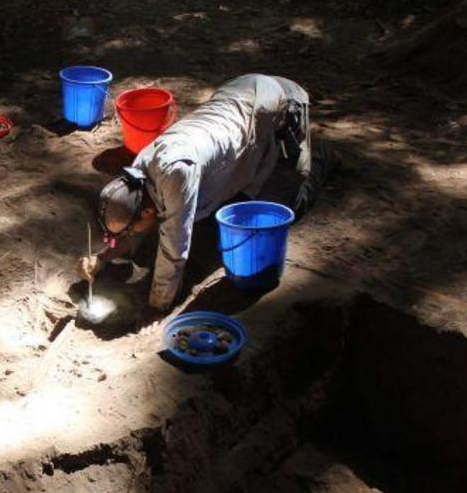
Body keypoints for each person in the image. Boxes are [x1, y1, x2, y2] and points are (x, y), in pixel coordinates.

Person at [78, 73, 335, 318]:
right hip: (238, 100)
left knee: (284, 205)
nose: (132, 233)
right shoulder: (136, 176)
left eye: (133, 229)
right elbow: (131, 222)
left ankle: (322, 158)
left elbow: (174, 251)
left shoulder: (176, 172)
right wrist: (102, 258)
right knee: (232, 194)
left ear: (146, 211)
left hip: (276, 106)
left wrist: (157, 306)